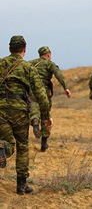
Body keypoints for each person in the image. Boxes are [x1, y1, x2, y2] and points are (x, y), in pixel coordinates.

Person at [0, 35, 52, 195]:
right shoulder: (28, 68)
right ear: (24, 49)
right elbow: (41, 96)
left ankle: (3, 148)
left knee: (6, 142)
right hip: (19, 112)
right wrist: (45, 116)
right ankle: (21, 185)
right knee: (22, 146)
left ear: (9, 49)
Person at [29, 46, 71, 152]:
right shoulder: (50, 64)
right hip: (44, 91)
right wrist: (66, 88)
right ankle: (44, 144)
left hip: (31, 90)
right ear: (48, 55)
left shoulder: (30, 63)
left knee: (33, 106)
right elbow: (59, 75)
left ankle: (34, 120)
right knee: (45, 114)